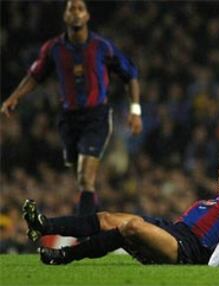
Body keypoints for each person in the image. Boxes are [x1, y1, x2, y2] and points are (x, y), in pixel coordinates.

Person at [1, 0, 143, 216]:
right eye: (71, 9)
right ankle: (89, 212)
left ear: (87, 16)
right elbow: (35, 75)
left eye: (80, 9)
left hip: (97, 116)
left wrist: (135, 111)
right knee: (79, 174)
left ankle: (85, 228)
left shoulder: (102, 47)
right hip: (69, 118)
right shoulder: (53, 48)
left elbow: (130, 75)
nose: (76, 13)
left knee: (86, 177)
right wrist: (14, 97)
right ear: (65, 16)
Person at [22, 152, 219, 265]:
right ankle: (44, 225)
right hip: (172, 231)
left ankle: (64, 256)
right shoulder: (210, 201)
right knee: (107, 218)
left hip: (190, 249)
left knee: (130, 227)